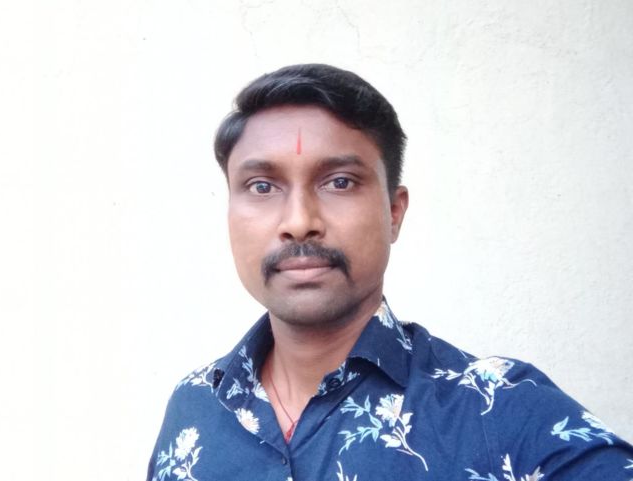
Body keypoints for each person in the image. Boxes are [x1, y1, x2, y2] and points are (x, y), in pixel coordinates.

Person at [147, 64, 633, 481]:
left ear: (394, 212)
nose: (298, 221)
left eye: (340, 182)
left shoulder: (497, 407)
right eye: (261, 186)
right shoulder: (194, 406)